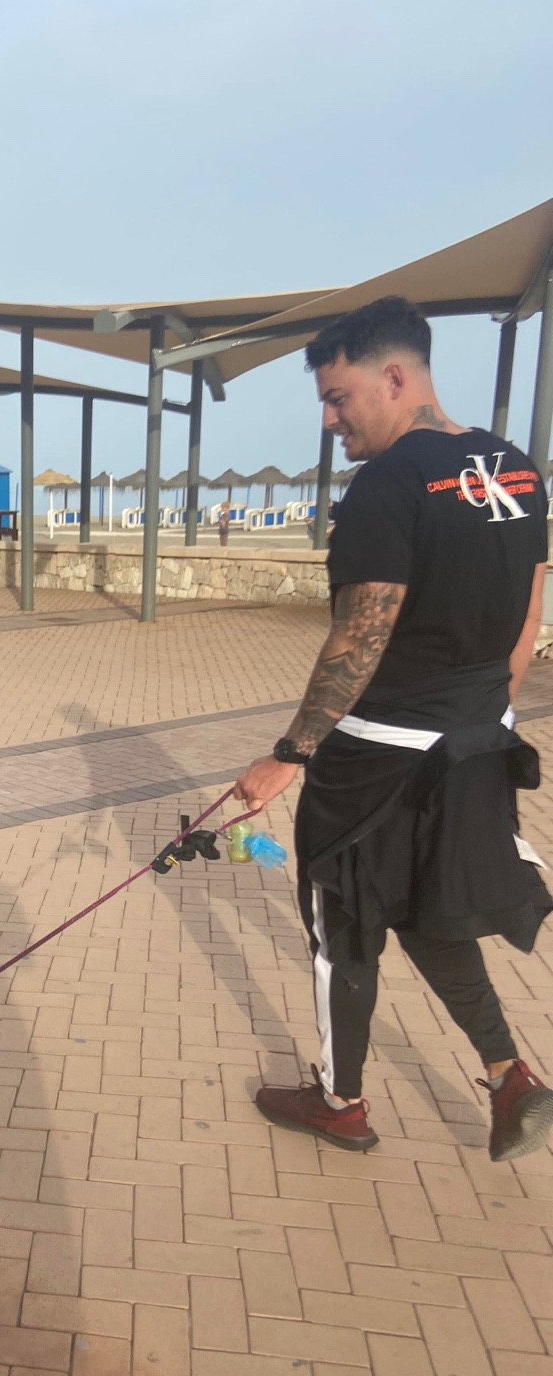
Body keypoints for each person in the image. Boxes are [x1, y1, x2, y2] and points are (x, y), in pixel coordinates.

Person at [234, 295, 553, 1163]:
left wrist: (290, 753)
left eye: (339, 398)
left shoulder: (386, 484)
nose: (330, 420)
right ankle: (509, 1076)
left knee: (341, 926)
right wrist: (481, 716)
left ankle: (340, 1101)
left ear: (396, 377)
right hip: (477, 746)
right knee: (431, 911)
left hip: (376, 763)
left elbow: (360, 636)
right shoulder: (517, 469)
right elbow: (528, 620)